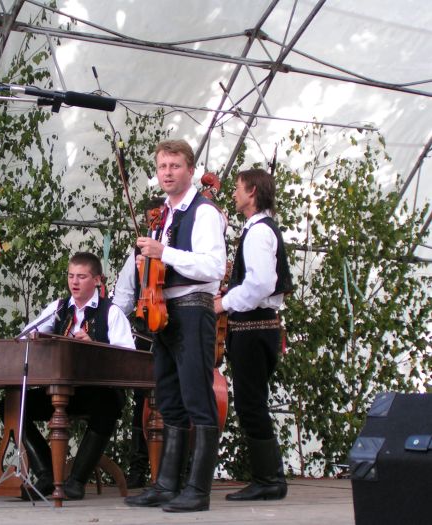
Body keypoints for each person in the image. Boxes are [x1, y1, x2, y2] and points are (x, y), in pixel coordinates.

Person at [125, 139, 226, 513]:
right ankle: (167, 484)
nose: (167, 173)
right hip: (163, 311)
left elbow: (214, 266)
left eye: (175, 166)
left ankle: (198, 489)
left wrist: (163, 253)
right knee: (168, 398)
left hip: (193, 309)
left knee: (198, 396)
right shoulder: (163, 215)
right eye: (162, 166)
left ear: (191, 170)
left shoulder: (204, 212)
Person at [10, 251, 135, 501]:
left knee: (108, 405)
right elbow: (25, 335)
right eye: (70, 276)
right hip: (60, 391)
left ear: (97, 280)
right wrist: (35, 338)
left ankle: (76, 481)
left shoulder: (111, 312)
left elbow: (127, 358)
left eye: (81, 276)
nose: (74, 282)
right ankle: (46, 474)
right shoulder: (58, 308)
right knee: (12, 406)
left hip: (98, 391)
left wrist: (95, 346)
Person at [214, 168, 293, 501]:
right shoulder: (259, 229)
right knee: (252, 401)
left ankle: (269, 479)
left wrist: (224, 303)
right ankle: (269, 477)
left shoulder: (259, 232)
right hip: (257, 326)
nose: (234, 193)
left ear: (252, 192)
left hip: (253, 326)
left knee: (250, 403)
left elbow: (260, 283)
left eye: (238, 188)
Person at [111, 196, 165, 489]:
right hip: (145, 332)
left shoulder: (178, 246)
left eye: (158, 218)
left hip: (174, 328)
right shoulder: (138, 250)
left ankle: (175, 467)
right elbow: (124, 294)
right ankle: (139, 466)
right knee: (142, 401)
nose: (153, 225)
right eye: (149, 221)